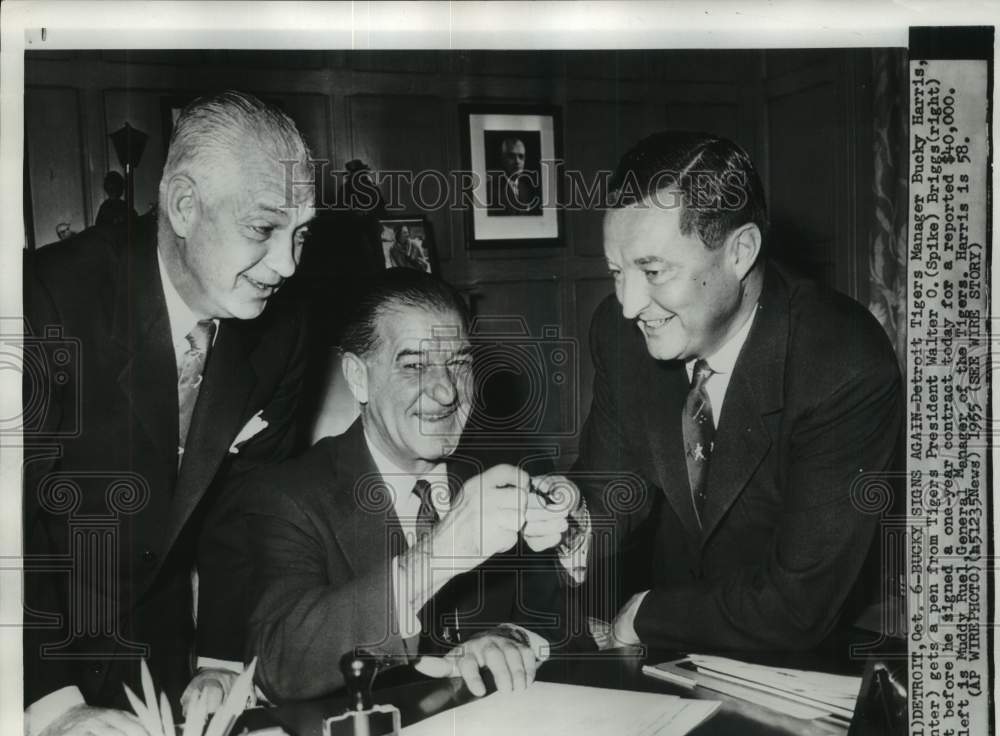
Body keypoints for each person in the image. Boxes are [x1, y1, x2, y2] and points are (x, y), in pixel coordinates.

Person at [22, 91, 315, 736]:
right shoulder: (45, 300)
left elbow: (247, 508)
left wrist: (217, 659)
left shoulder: (283, 330)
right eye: (265, 228)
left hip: (154, 671)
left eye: (303, 235)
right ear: (184, 206)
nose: (288, 264)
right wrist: (49, 703)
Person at [572, 131, 903, 652]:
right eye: (617, 271)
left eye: (653, 271)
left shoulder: (843, 361)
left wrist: (645, 616)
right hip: (669, 661)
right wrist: (568, 515)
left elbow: (798, 606)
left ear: (741, 251)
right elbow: (612, 494)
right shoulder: (620, 336)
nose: (629, 304)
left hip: (803, 666)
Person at [237, 269, 585, 701]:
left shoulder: (510, 470)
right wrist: (437, 555)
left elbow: (569, 618)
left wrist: (510, 637)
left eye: (458, 363)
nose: (445, 392)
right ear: (358, 377)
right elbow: (277, 665)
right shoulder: (285, 496)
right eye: (415, 366)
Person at [486, 136, 542, 216]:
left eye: (521, 156)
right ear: (502, 159)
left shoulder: (526, 190)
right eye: (511, 156)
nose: (517, 161)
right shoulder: (490, 189)